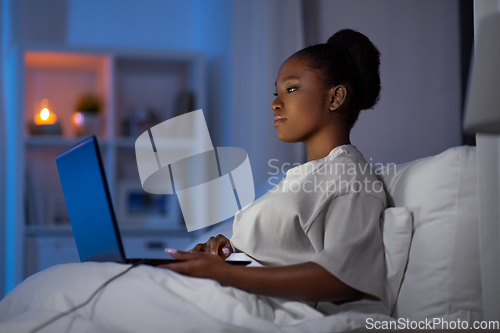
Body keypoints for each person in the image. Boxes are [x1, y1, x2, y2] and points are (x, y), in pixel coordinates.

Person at [160, 29, 387, 313]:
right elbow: (278, 251)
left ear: (336, 97)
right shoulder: (302, 176)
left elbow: (345, 278)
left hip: (260, 311)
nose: (275, 103)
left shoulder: (349, 177)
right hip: (231, 295)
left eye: (291, 89)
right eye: (276, 92)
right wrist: (227, 249)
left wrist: (224, 273)